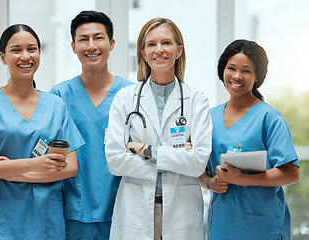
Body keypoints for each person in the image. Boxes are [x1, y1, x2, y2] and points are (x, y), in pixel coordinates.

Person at [0, 24, 84, 239]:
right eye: (16, 50)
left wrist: (11, 173)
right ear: (3, 57)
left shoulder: (55, 105)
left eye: (32, 49)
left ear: (39, 53)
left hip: (44, 219)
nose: (25, 56)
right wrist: (34, 164)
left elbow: (70, 167)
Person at [105, 18, 212, 240]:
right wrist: (178, 158)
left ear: (179, 50)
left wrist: (147, 151)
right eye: (151, 44)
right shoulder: (125, 99)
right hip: (135, 211)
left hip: (182, 212)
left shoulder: (197, 100)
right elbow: (115, 161)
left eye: (166, 43)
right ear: (143, 53)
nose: (159, 50)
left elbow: (198, 162)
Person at [199, 39, 300, 240]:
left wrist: (242, 179)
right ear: (223, 71)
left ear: (257, 77)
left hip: (262, 225)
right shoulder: (209, 117)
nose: (237, 76)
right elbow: (199, 167)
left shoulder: (269, 118)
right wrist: (209, 182)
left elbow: (291, 174)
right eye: (231, 68)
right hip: (222, 224)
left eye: (246, 70)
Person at [50, 10, 133, 240]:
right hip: (75, 211)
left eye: (98, 37)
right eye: (83, 39)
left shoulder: (131, 94)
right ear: (73, 46)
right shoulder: (59, 95)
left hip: (122, 209)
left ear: (112, 43)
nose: (91, 45)